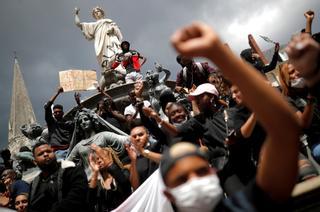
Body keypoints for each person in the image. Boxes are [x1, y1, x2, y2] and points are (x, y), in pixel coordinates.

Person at [159, 21, 300, 211]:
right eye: (182, 180)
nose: (195, 181)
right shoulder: (199, 121)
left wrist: (218, 54)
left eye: (201, 172)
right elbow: (173, 130)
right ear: (168, 194)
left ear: (212, 172)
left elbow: (285, 127)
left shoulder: (245, 203)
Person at [67, 110, 129, 178]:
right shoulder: (79, 146)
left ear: (92, 121)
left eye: (86, 119)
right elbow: (68, 163)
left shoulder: (103, 135)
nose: (83, 122)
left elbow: (124, 139)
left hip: (110, 174)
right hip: (91, 178)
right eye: (80, 121)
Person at [28, 141, 88, 212]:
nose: (46, 154)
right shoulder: (34, 185)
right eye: (41, 154)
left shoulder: (72, 171)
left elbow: (77, 196)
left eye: (48, 151)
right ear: (35, 162)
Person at [87, 146, 131, 212]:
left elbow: (124, 182)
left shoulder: (124, 172)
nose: (99, 160)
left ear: (110, 157)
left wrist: (109, 164)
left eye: (102, 157)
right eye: (95, 159)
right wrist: (95, 172)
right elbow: (90, 202)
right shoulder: (96, 183)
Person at [126, 125, 162, 190]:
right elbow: (135, 187)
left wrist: (143, 151)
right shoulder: (130, 158)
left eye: (140, 135)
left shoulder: (158, 147)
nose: (137, 138)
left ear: (148, 135)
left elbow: (167, 161)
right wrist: (133, 161)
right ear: (131, 139)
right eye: (134, 136)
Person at [44, 87, 74, 160]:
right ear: (53, 114)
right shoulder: (51, 123)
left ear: (63, 113)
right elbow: (47, 106)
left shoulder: (69, 124)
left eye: (59, 112)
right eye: (55, 112)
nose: (57, 113)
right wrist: (57, 93)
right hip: (58, 152)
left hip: (71, 150)